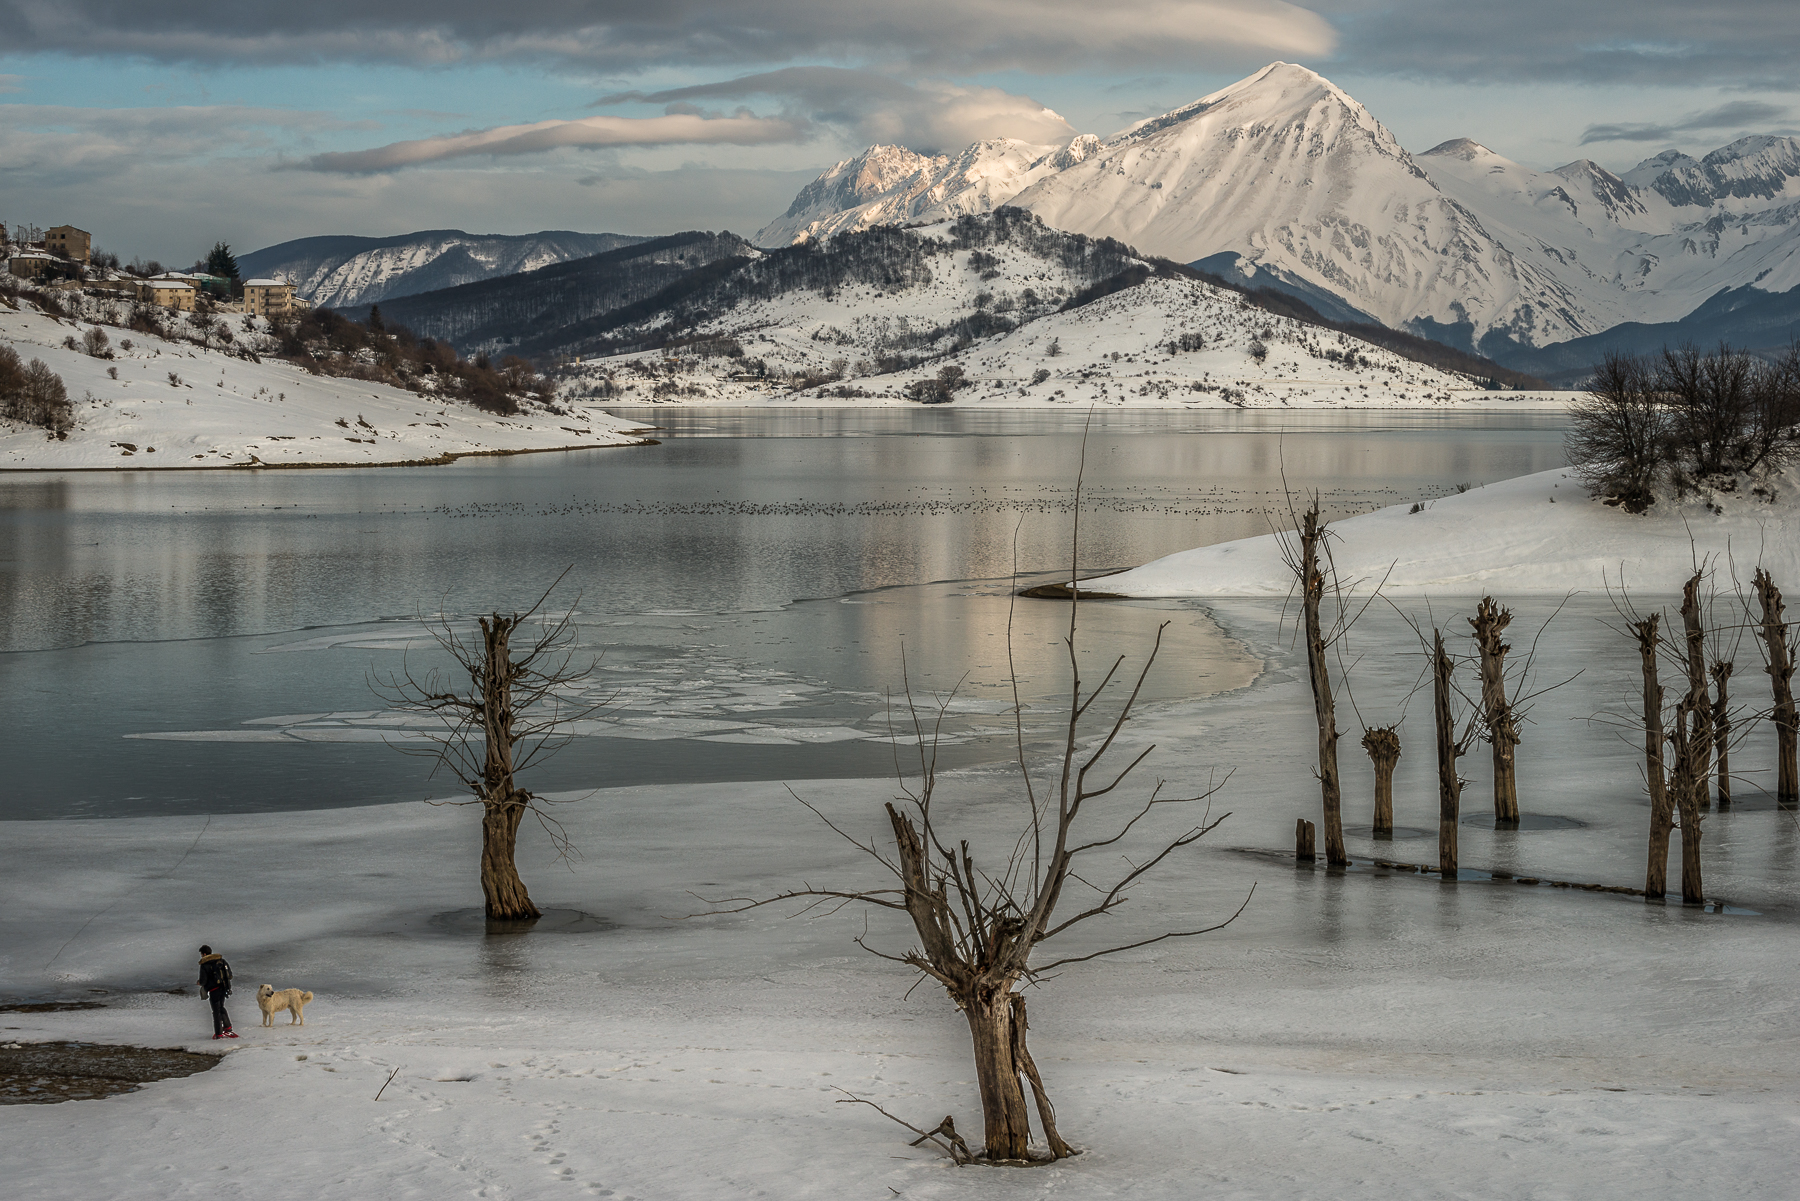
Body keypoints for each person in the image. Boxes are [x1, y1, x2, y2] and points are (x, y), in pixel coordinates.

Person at [196, 945, 237, 1039]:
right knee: (221, 1007)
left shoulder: (204, 964)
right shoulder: (221, 961)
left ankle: (219, 1033)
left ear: (204, 954)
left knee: (216, 1011)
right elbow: (229, 975)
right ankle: (228, 1027)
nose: (201, 956)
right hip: (224, 988)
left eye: (201, 954)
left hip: (214, 990)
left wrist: (199, 983)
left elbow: (203, 981)